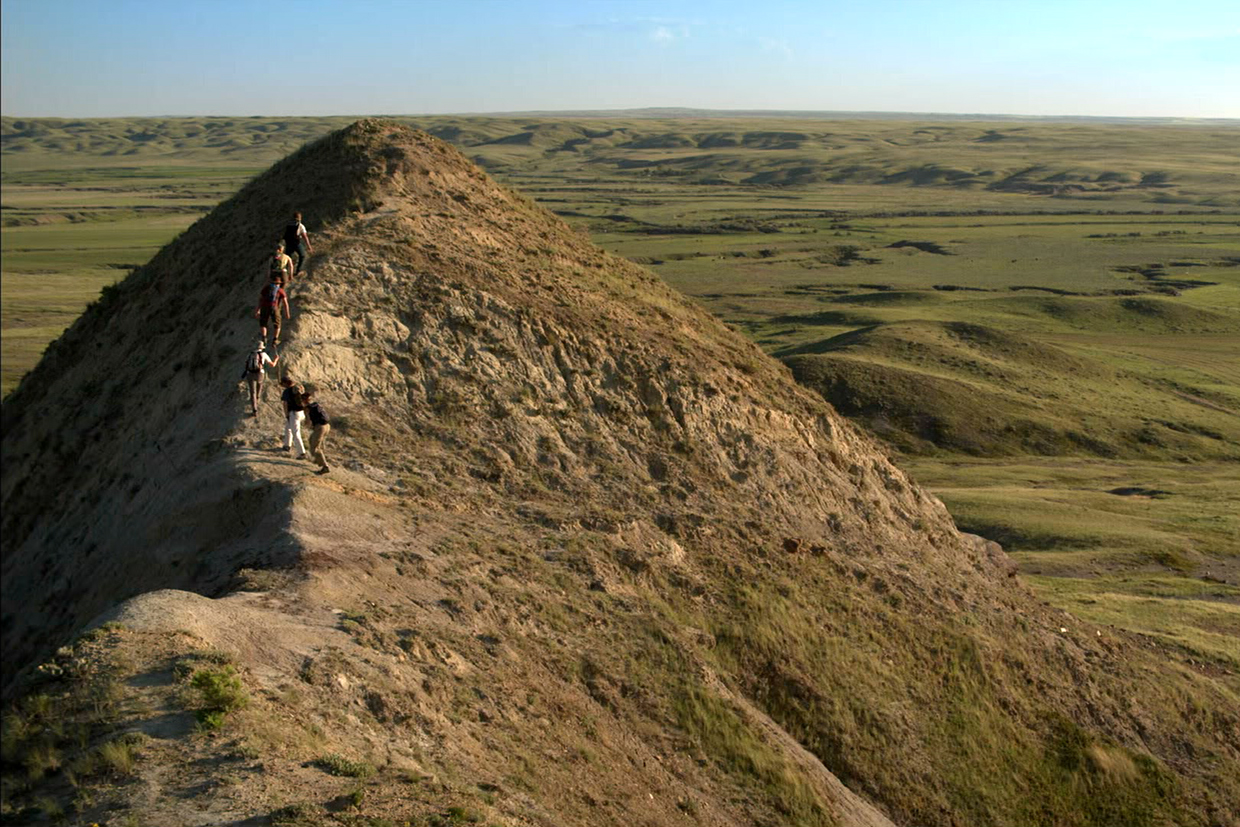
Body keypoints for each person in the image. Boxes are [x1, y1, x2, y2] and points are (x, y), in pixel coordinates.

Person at [240, 340, 279, 416]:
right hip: (260, 373)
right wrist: (276, 359)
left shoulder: (249, 354)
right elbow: (272, 365)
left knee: (252, 392)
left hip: (250, 373)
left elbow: (246, 364)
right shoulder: (263, 354)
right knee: (259, 385)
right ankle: (257, 398)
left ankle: (254, 409)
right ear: (262, 348)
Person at [256, 274, 291, 345]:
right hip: (274, 307)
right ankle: (275, 339)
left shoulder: (266, 289)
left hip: (264, 307)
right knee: (277, 324)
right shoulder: (280, 291)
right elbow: (285, 303)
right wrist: (287, 313)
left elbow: (260, 300)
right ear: (279, 283)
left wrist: (258, 310)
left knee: (263, 323)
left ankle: (264, 338)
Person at [303, 388, 331, 474]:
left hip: (320, 428)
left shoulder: (307, 408)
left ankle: (325, 466)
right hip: (327, 426)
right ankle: (318, 460)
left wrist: (305, 424)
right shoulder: (316, 404)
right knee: (311, 440)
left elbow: (307, 422)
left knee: (314, 448)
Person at [280, 376, 307, 459]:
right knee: (288, 427)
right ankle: (287, 445)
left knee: (296, 433)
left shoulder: (287, 391)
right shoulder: (298, 388)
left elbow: (285, 404)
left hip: (294, 413)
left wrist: (286, 415)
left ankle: (302, 453)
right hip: (302, 412)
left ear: (285, 383)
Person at [283, 212, 313, 276]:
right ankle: (298, 271)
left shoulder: (288, 225)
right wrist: (309, 246)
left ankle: (284, 273)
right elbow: (305, 237)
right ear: (300, 218)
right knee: (302, 255)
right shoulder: (300, 226)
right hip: (296, 244)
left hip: (288, 243)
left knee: (287, 258)